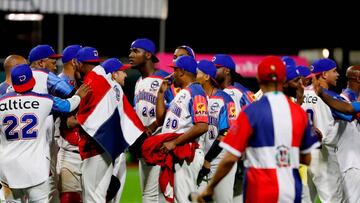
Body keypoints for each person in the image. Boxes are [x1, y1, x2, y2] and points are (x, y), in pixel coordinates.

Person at [196, 56, 319, 203]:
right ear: (284, 80)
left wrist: (211, 187)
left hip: (259, 190)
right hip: (290, 190)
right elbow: (307, 158)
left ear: (259, 79)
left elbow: (230, 158)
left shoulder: (251, 112)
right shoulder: (299, 113)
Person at [0, 64, 89, 203]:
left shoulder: (1, 102)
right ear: (32, 81)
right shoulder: (44, 100)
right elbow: (68, 105)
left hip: (8, 170)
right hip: (35, 168)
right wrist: (78, 96)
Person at [69, 46, 145, 203]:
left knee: (92, 197)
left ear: (80, 63)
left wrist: (73, 121)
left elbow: (87, 117)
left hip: (96, 147)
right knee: (99, 195)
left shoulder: (93, 81)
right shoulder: (105, 80)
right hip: (107, 146)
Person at [155, 55, 208, 203]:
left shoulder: (196, 92)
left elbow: (202, 126)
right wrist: (160, 94)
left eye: (175, 70)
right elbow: (160, 120)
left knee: (184, 199)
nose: (172, 74)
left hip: (186, 154)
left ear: (182, 71)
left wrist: (175, 143)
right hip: (174, 153)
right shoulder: (182, 94)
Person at [302, 58, 352, 202]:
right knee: (332, 199)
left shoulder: (300, 94)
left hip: (302, 154)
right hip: (323, 153)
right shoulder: (330, 97)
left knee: (305, 199)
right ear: (323, 74)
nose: (337, 75)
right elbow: (350, 112)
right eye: (334, 71)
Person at [129, 38, 173, 202]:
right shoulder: (139, 82)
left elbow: (175, 109)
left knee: (153, 195)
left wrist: (154, 125)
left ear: (148, 55)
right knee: (150, 194)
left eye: (135, 51)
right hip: (145, 142)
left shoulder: (164, 78)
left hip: (161, 142)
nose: (131, 55)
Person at [195, 60, 236, 203]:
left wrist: (208, 159)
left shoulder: (225, 99)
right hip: (199, 159)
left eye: (197, 72)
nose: (194, 74)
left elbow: (226, 132)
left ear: (206, 77)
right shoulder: (195, 96)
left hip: (219, 160)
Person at [101, 58, 132, 203]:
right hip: (113, 148)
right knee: (110, 191)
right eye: (122, 71)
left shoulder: (106, 88)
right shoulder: (114, 87)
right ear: (113, 74)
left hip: (112, 147)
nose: (125, 75)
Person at [56, 44, 83, 203]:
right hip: (62, 148)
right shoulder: (58, 84)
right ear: (74, 61)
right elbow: (66, 122)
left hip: (82, 150)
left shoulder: (82, 82)